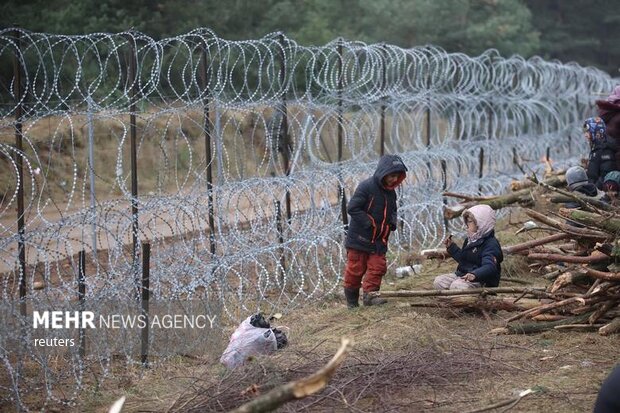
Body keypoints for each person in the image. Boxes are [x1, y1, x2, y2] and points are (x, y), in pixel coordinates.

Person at [343, 154, 408, 308]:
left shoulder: (391, 193)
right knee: (355, 270)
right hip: (359, 239)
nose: (394, 179)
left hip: (379, 240)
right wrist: (369, 223)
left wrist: (392, 224)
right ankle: (352, 302)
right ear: (383, 172)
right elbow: (352, 208)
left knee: (377, 268)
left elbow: (393, 210)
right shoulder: (367, 187)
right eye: (392, 176)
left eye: (397, 176)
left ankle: (370, 297)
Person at [433, 204, 503, 290]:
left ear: (481, 223)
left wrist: (475, 275)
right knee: (439, 281)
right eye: (466, 222)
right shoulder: (470, 240)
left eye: (470, 222)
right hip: (463, 275)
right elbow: (464, 260)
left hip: (482, 280)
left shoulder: (491, 244)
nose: (467, 225)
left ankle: (465, 302)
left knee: (457, 286)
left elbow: (489, 266)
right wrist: (451, 247)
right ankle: (449, 302)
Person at [584, 117, 619, 189]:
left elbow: (606, 173)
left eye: (588, 131)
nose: (585, 135)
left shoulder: (605, 149)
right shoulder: (596, 147)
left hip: (599, 192)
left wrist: (594, 189)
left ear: (596, 131)